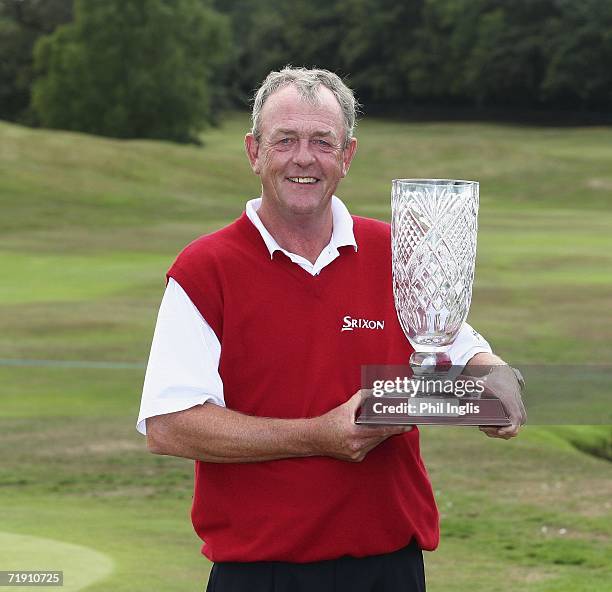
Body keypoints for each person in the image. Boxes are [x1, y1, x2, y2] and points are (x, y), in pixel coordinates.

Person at [137, 67, 526, 592]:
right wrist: (318, 435)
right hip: (262, 574)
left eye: (323, 142)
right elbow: (170, 424)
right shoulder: (205, 267)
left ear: (347, 156)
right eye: (285, 141)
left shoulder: (396, 251)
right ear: (254, 152)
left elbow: (457, 346)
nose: (304, 158)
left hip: (391, 569)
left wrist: (495, 378)